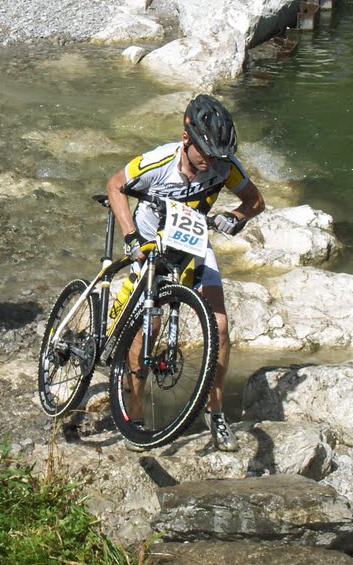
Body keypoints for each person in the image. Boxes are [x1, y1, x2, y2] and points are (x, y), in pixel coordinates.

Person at [105, 94, 264, 451]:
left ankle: (216, 412)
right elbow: (115, 186)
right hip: (151, 244)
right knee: (151, 328)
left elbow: (256, 202)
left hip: (192, 245)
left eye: (219, 155)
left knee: (220, 326)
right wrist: (131, 237)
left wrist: (236, 218)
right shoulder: (158, 162)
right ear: (186, 139)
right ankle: (135, 414)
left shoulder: (225, 165)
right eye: (205, 153)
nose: (212, 162)